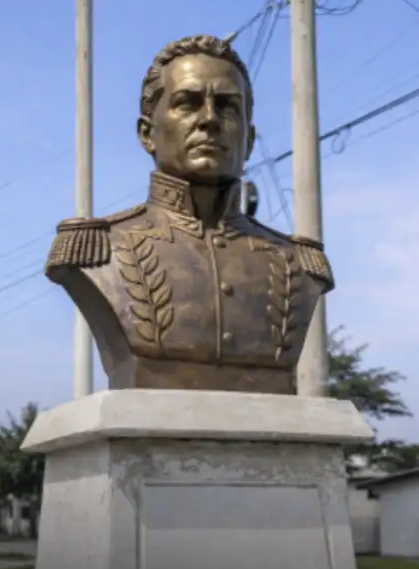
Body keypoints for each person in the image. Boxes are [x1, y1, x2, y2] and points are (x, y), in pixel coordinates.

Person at [43, 34, 333, 395]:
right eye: (187, 103)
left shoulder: (299, 265)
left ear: (250, 139)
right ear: (146, 134)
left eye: (227, 106)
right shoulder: (97, 250)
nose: (209, 120)